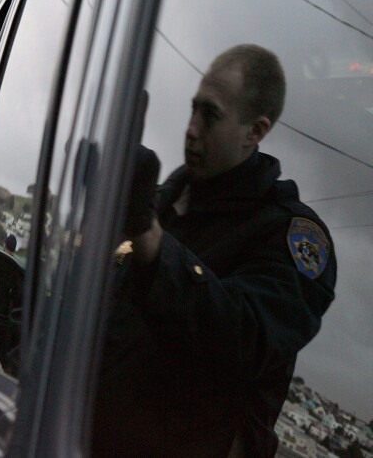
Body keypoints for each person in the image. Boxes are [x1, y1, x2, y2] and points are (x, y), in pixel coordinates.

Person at [93, 44, 337, 457]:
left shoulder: (290, 237)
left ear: (255, 132)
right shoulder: (162, 201)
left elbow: (242, 338)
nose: (190, 128)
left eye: (210, 115)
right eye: (192, 109)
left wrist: (150, 238)